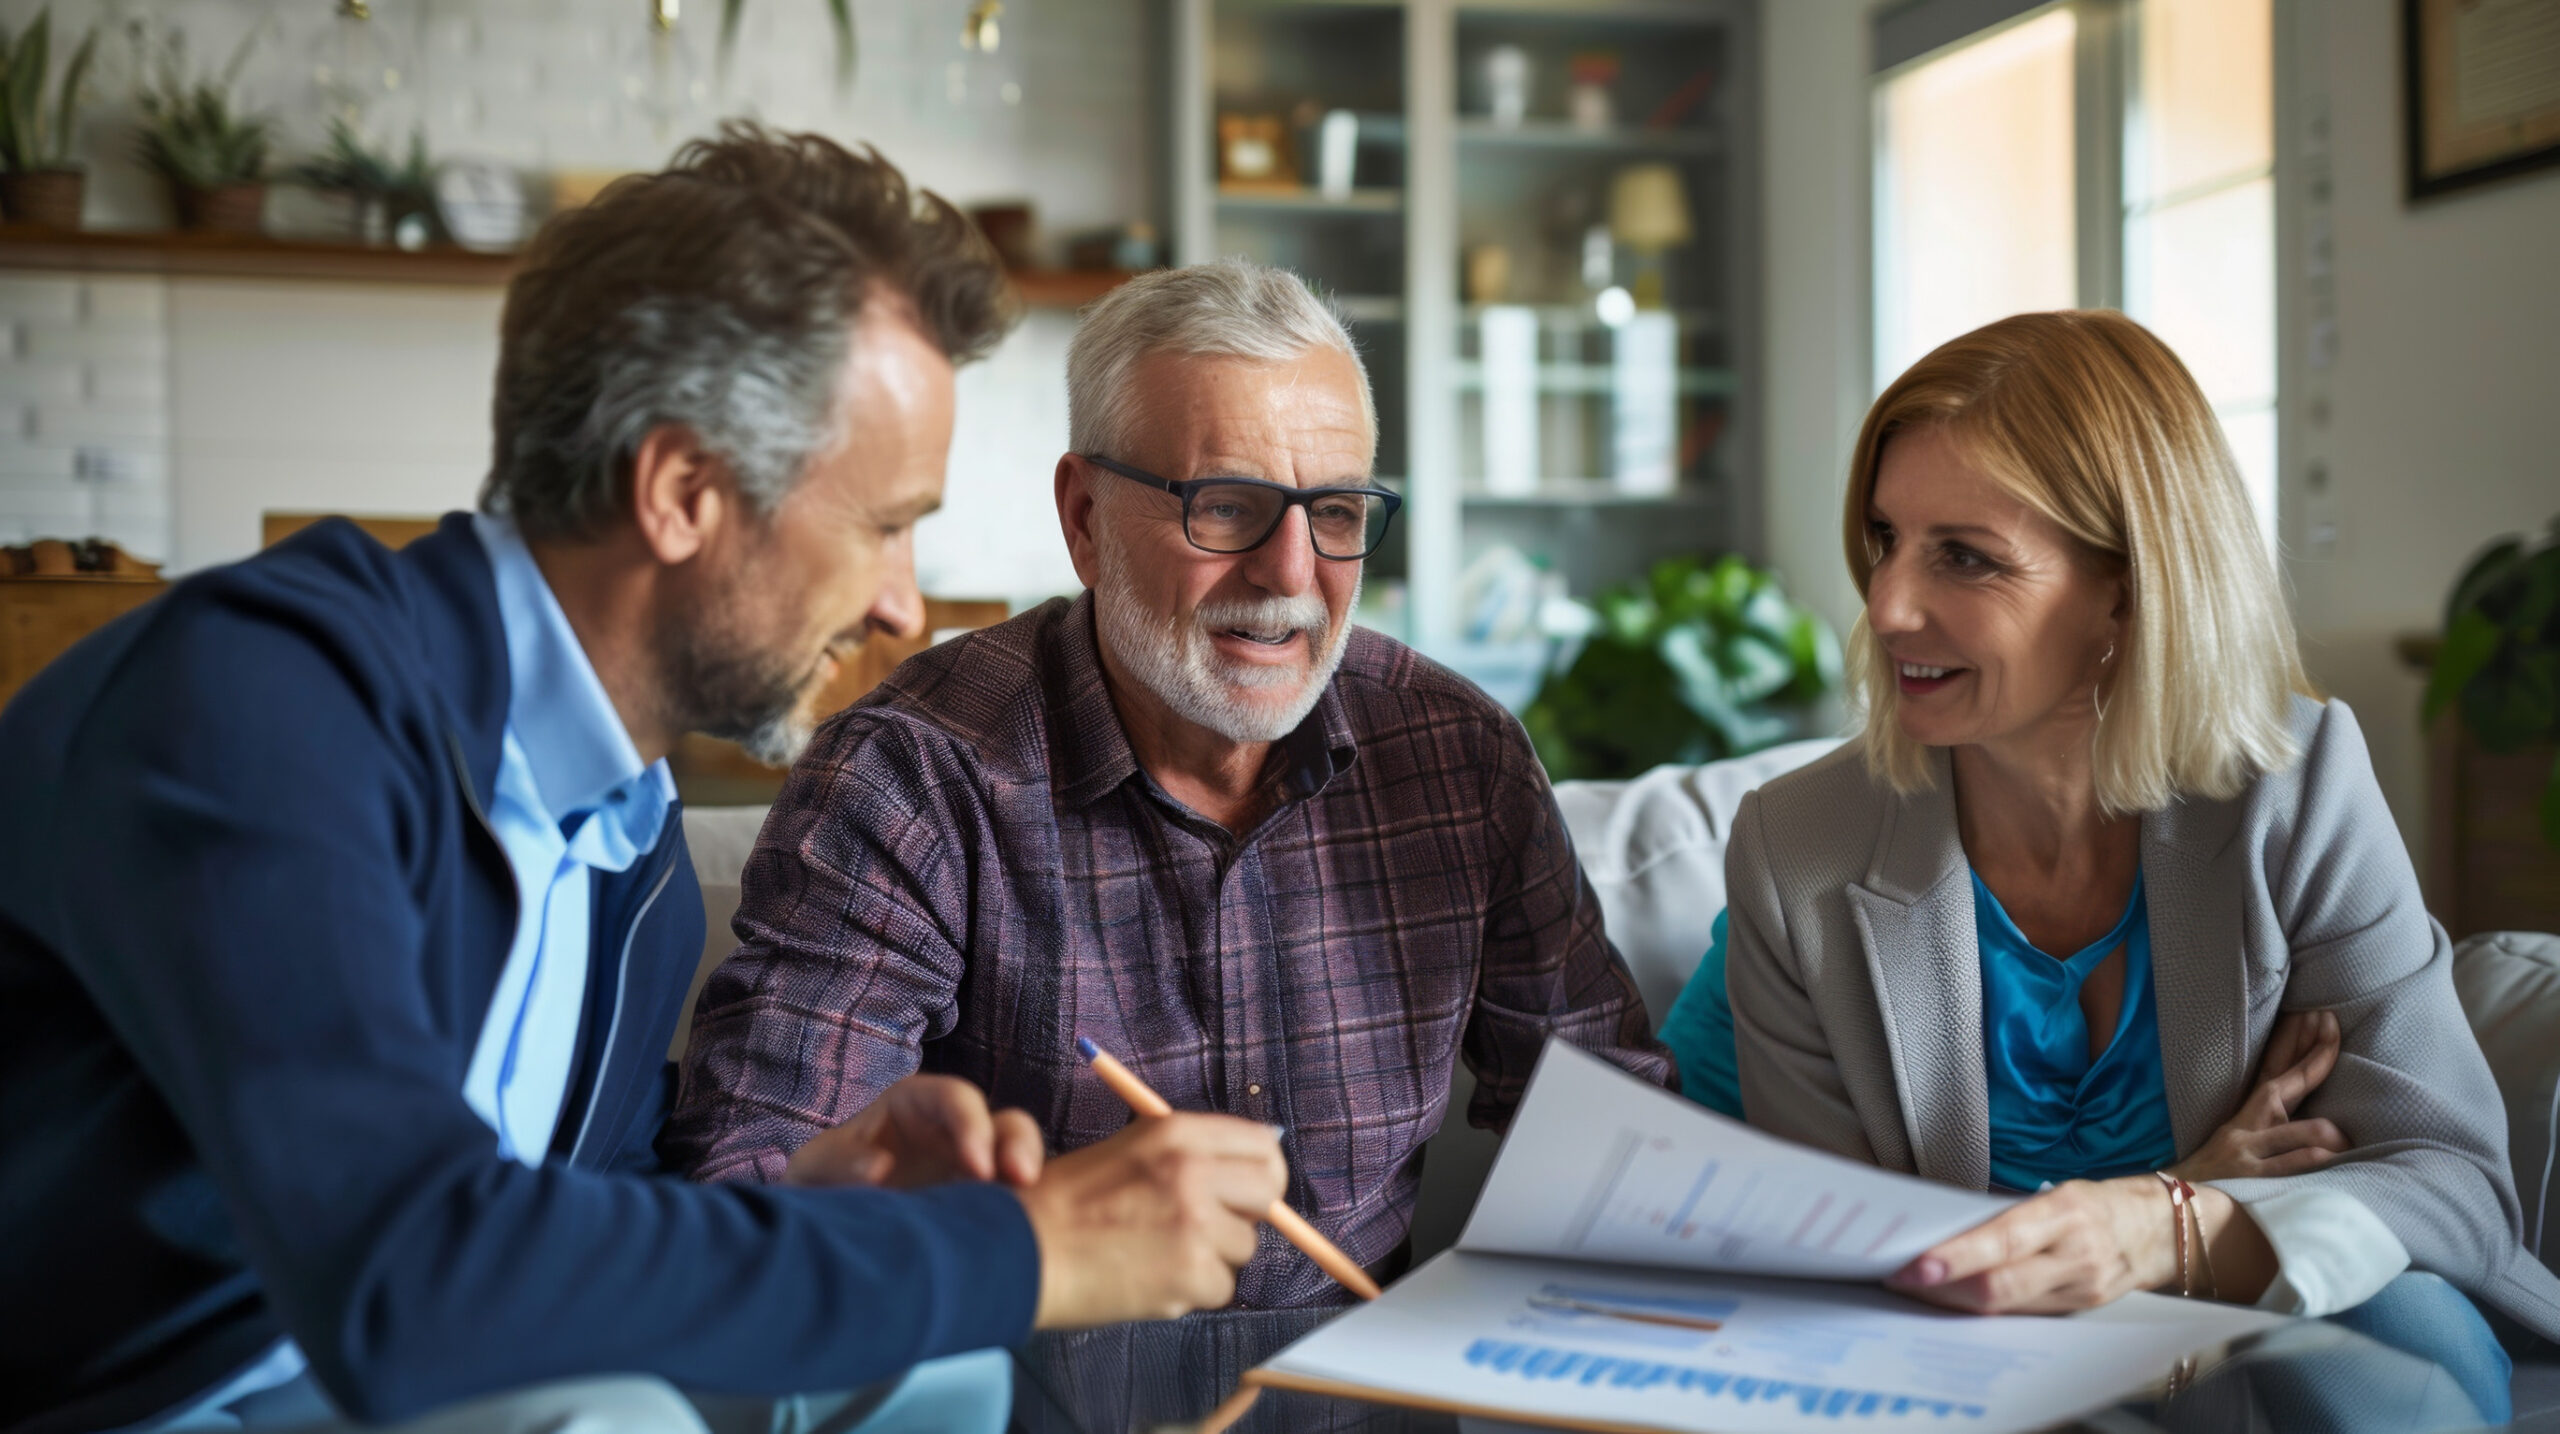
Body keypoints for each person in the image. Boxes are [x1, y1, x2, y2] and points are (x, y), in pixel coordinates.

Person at [0, 126, 1288, 1434]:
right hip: (165, 1399)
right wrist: (1027, 1253)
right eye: (886, 523)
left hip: (408, 1368)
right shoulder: (262, 702)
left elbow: (565, 1235)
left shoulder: (625, 833)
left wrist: (805, 1207)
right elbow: (409, 1276)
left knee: (948, 1374)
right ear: (681, 490)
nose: (905, 604)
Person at [662, 258, 1672, 1308]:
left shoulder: (1459, 758)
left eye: (1332, 512)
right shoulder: (911, 773)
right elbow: (747, 1190)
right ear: (1086, 518)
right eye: (1227, 506)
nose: (1288, 573)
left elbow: (1615, 1141)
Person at [1661, 309, 2560, 1424]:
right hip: (1965, 1383)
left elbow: (2453, 1188)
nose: (1885, 605)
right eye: (1884, 538)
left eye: (1964, 557)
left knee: (2396, 1328)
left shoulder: (2297, 785)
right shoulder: (1795, 850)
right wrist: (2188, 1192)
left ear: (2129, 587)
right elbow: (1855, 1281)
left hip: (2271, 1334)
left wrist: (2171, 1234)